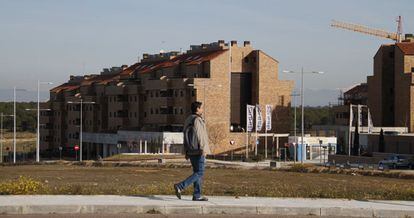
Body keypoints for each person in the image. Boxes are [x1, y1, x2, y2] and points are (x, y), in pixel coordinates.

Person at [174, 101, 210, 201]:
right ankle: (180, 186)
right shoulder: (197, 120)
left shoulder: (188, 119)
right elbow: (200, 135)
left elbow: (185, 136)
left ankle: (197, 195)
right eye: (201, 108)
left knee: (196, 172)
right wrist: (203, 148)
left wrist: (185, 151)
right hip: (198, 150)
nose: (202, 110)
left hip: (190, 150)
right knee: (200, 172)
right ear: (197, 109)